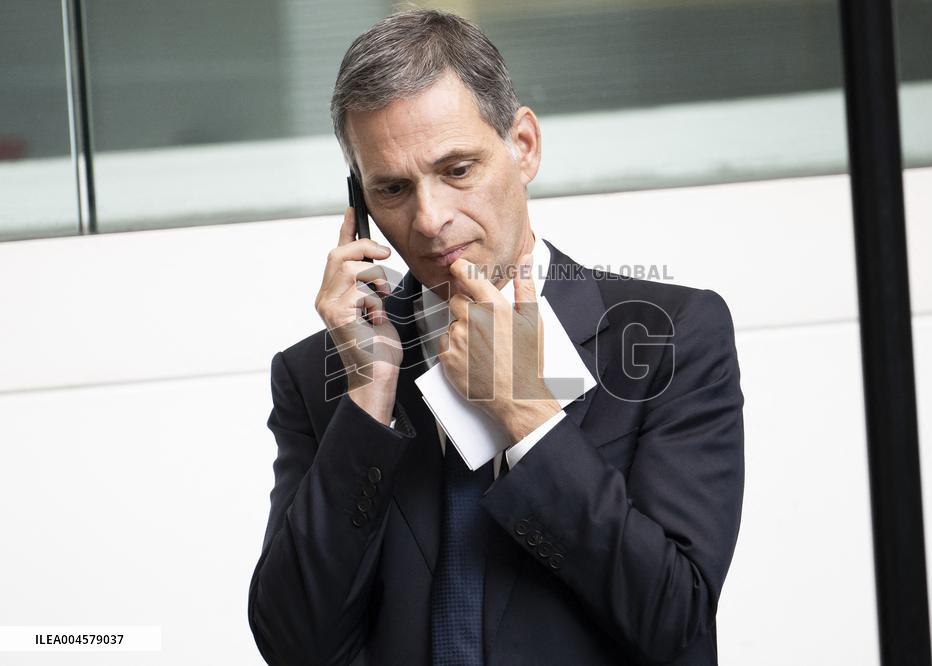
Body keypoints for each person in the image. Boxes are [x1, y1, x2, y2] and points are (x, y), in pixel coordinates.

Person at [248, 9, 744, 666]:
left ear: (524, 146)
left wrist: (526, 415)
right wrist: (367, 402)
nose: (429, 220)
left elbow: (676, 627)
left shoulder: (669, 337)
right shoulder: (321, 376)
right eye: (392, 189)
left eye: (456, 169)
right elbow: (293, 646)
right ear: (360, 203)